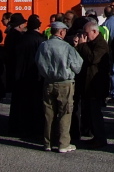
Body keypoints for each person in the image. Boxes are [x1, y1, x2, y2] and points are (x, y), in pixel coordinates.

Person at [36, 21, 84, 153]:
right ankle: (63, 143)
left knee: (48, 113)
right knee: (65, 113)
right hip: (65, 83)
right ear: (61, 32)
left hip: (48, 82)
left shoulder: (43, 45)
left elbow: (38, 63)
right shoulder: (67, 47)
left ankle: (48, 143)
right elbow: (78, 67)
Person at [10, 15, 45, 140]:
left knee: (22, 103)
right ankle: (35, 128)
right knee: (36, 103)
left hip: (20, 74)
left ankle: (21, 127)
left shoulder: (21, 38)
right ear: (39, 26)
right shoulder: (40, 40)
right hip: (35, 75)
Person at [77, 20, 111, 148]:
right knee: (91, 112)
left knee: (96, 113)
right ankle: (96, 136)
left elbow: (92, 58)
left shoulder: (101, 45)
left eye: (87, 33)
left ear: (95, 32)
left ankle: (100, 138)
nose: (84, 36)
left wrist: (82, 46)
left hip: (97, 84)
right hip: (89, 83)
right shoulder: (92, 43)